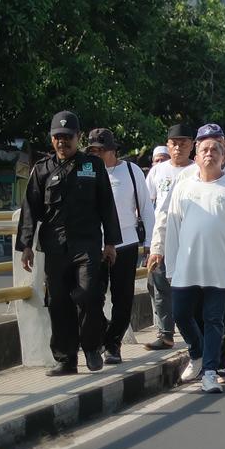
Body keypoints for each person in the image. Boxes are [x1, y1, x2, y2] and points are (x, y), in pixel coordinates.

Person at [18, 111, 121, 376]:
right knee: (59, 302)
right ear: (52, 139)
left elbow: (107, 205)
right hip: (54, 246)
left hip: (86, 243)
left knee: (89, 295)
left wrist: (110, 242)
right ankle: (65, 359)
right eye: (58, 137)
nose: (62, 142)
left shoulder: (92, 166)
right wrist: (26, 245)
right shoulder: (41, 169)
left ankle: (91, 347)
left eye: (68, 137)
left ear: (78, 137)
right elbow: (30, 209)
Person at [148, 133, 225, 393]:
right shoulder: (183, 188)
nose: (209, 154)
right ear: (196, 157)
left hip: (220, 269)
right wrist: (170, 267)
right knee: (182, 315)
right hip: (186, 267)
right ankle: (196, 352)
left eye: (214, 150)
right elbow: (172, 229)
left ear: (223, 156)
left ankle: (209, 372)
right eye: (204, 150)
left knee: (214, 320)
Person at [85, 128, 155, 365]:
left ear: (113, 151)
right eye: (92, 150)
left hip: (126, 243)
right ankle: (104, 333)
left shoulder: (131, 171)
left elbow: (145, 208)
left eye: (101, 150)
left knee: (122, 298)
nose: (96, 155)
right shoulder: (85, 170)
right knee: (89, 296)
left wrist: (149, 244)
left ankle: (113, 344)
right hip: (94, 244)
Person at [143, 123, 195, 350]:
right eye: (174, 143)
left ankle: (193, 330)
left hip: (191, 236)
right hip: (163, 234)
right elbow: (149, 206)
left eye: (184, 143)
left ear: (192, 145)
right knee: (160, 283)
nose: (178, 148)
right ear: (167, 145)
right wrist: (152, 244)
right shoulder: (158, 171)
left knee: (190, 286)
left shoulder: (197, 170)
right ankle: (165, 333)